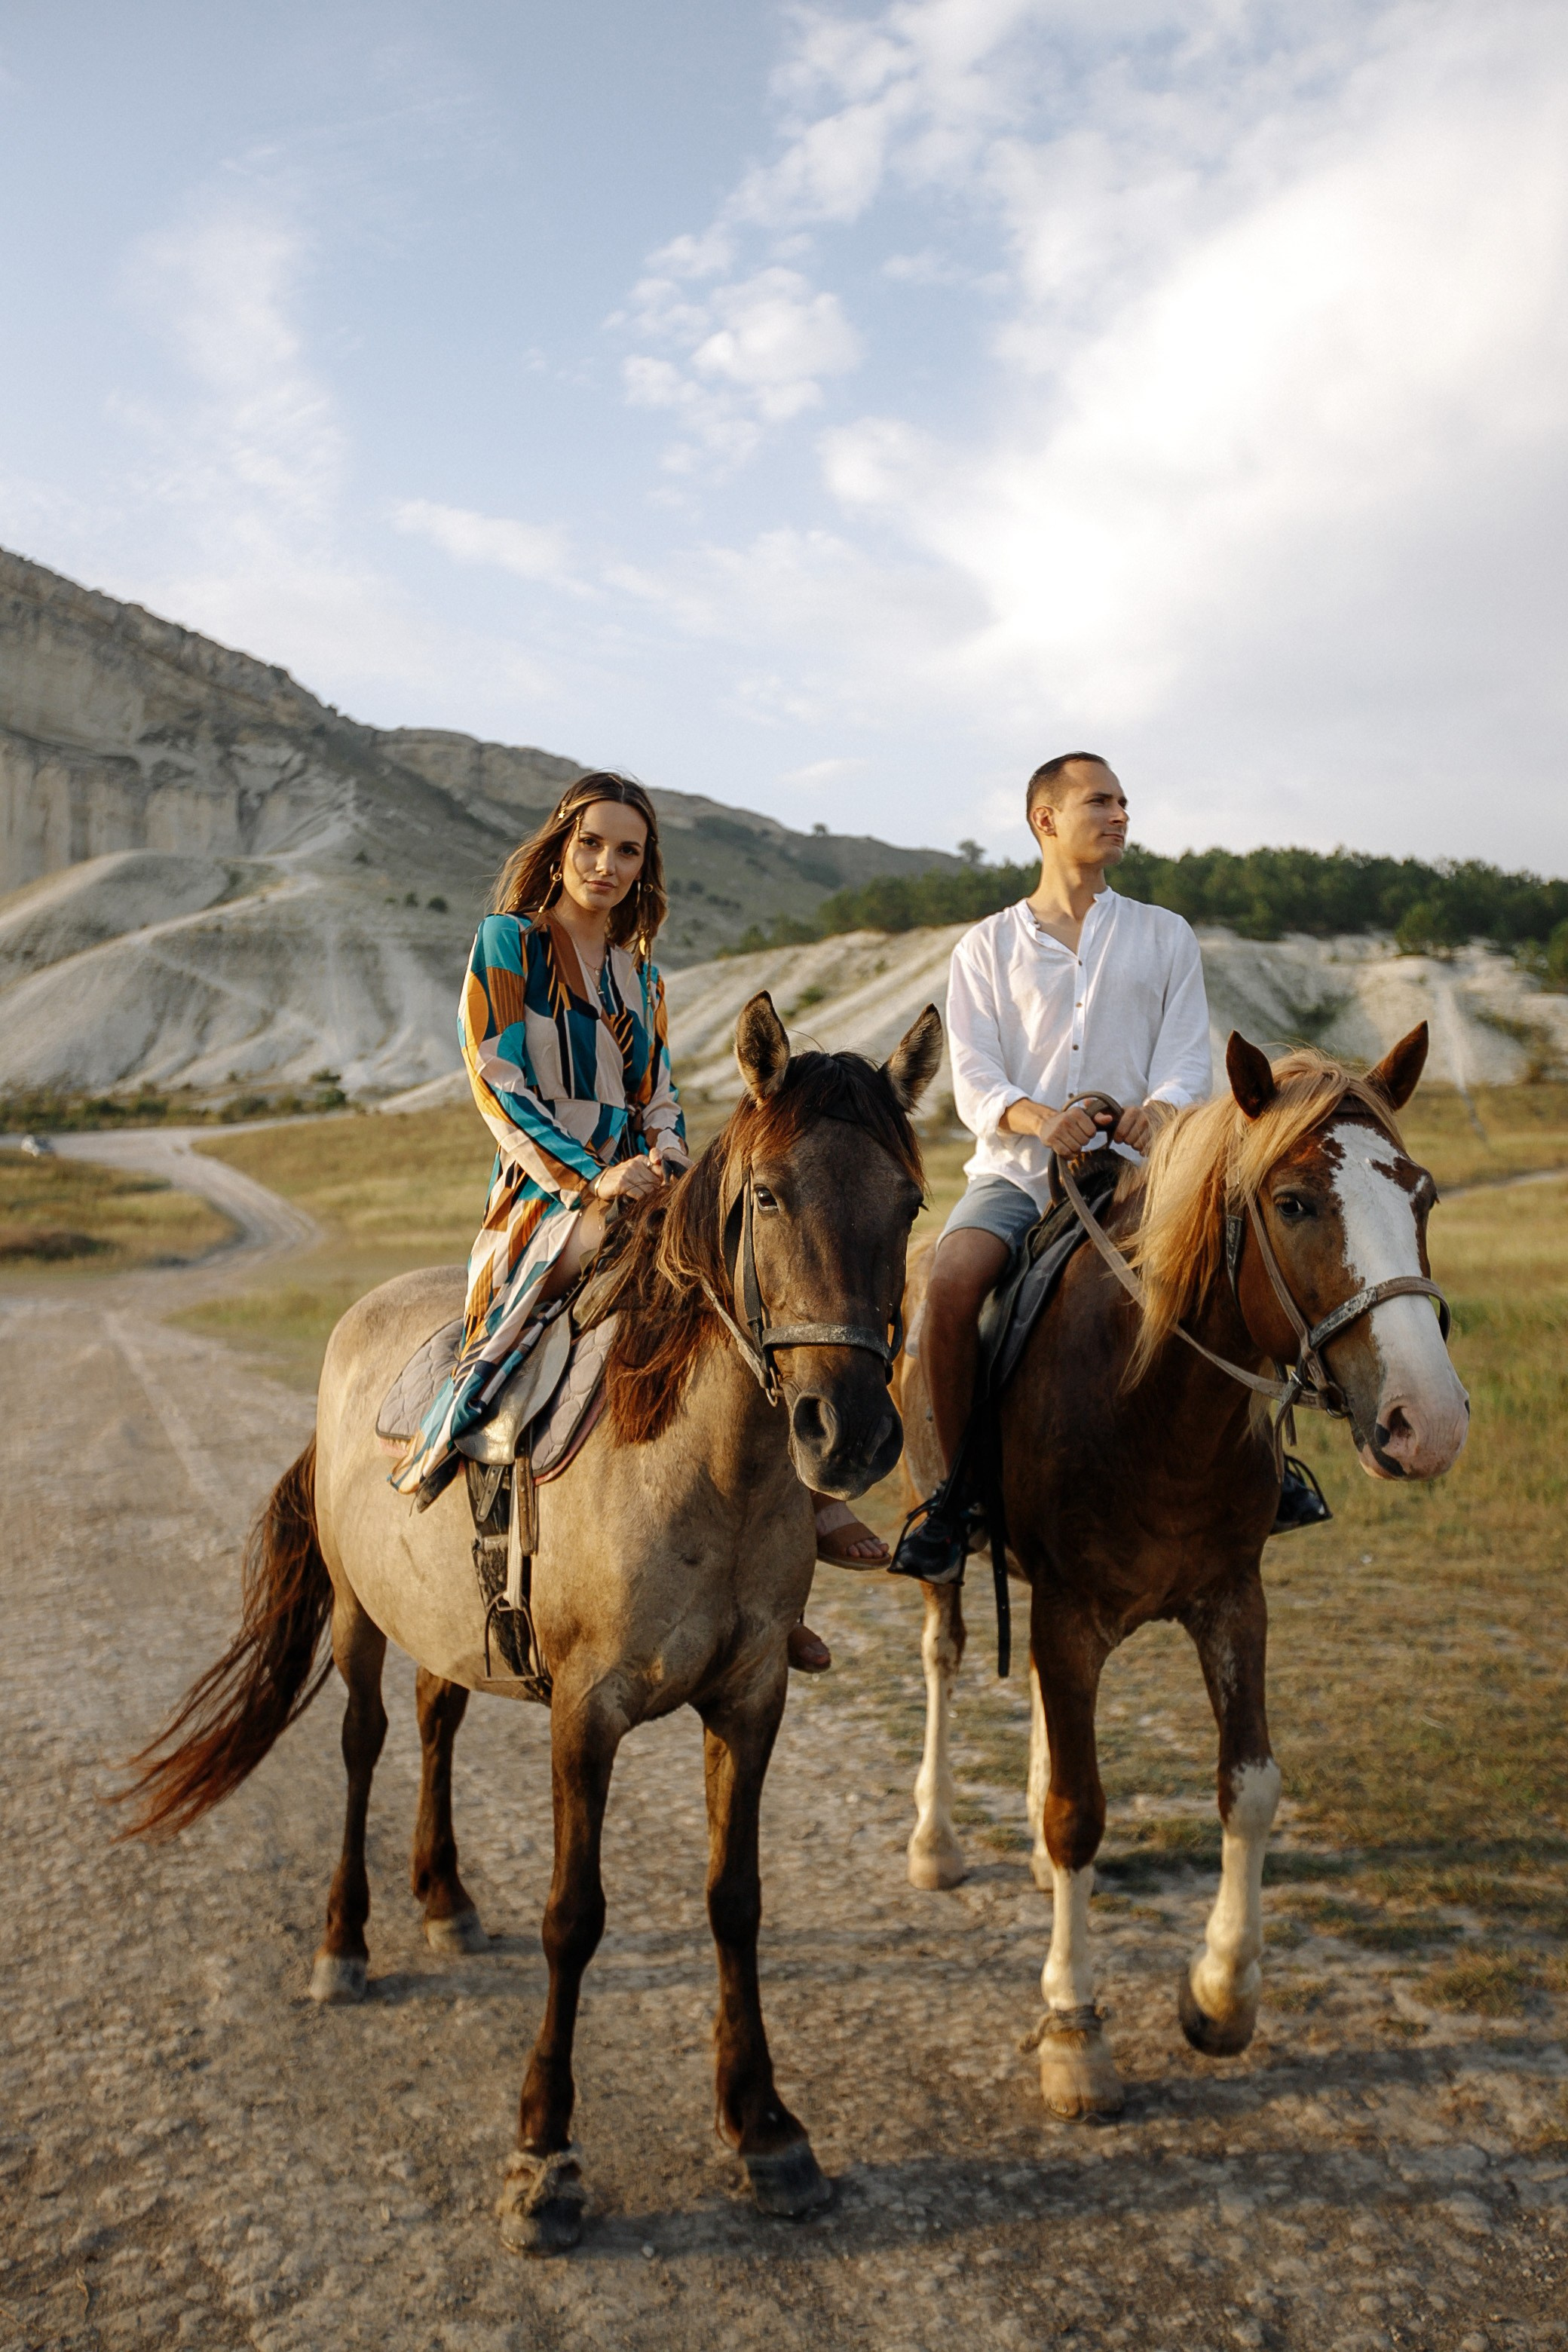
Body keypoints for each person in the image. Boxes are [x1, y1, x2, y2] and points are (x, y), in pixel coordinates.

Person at [391, 770, 872, 1668]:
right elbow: (495, 1078)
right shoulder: (508, 945)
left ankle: (773, 1571)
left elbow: (659, 1093)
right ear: (560, 846)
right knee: (549, 1317)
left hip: (647, 1187)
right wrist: (594, 1180)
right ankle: (475, 1491)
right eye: (591, 845)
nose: (606, 865)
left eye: (627, 851)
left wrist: (671, 1167)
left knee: (748, 1300)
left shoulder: (639, 972)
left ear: (644, 865)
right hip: (546, 1195)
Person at [890, 751, 1214, 1583]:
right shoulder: (985, 948)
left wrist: (1161, 1108)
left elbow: (1186, 1059)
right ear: (1046, 821)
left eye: (1123, 802)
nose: (1119, 815)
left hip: (1140, 1174)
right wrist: (1043, 1121)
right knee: (951, 1286)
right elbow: (973, 1077)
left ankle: (1262, 1476)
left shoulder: (1163, 934)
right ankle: (955, 1496)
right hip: (1018, 1177)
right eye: (1098, 801)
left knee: (1234, 1269)